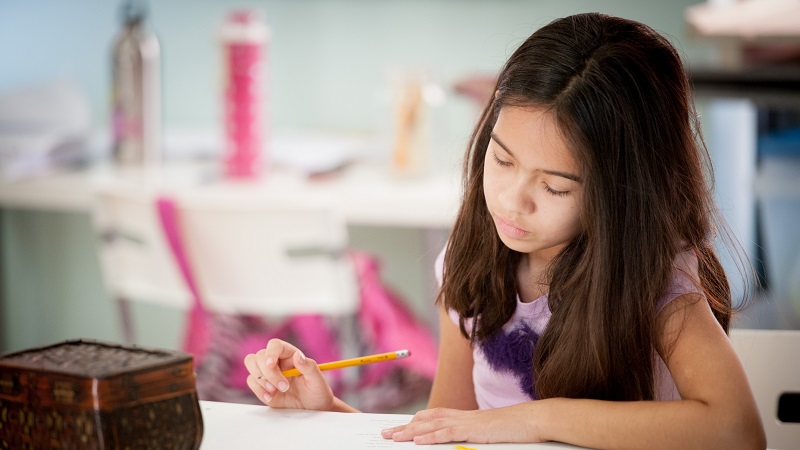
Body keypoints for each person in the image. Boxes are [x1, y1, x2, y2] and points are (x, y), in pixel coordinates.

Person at [243, 12, 766, 449]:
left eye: (556, 187)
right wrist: (324, 410)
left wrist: (532, 419)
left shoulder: (656, 284)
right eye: (501, 159)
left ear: (623, 194)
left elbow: (737, 429)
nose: (513, 201)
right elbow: (444, 431)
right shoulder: (469, 263)